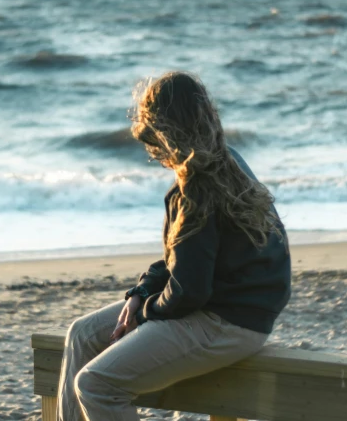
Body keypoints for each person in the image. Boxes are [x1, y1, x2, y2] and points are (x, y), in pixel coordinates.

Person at [56, 71, 292, 421]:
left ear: (166, 133)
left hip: (227, 321)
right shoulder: (227, 160)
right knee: (82, 333)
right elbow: (188, 257)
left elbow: (189, 291)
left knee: (97, 384)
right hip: (222, 306)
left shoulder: (197, 188)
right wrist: (142, 290)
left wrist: (145, 310)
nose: (154, 153)